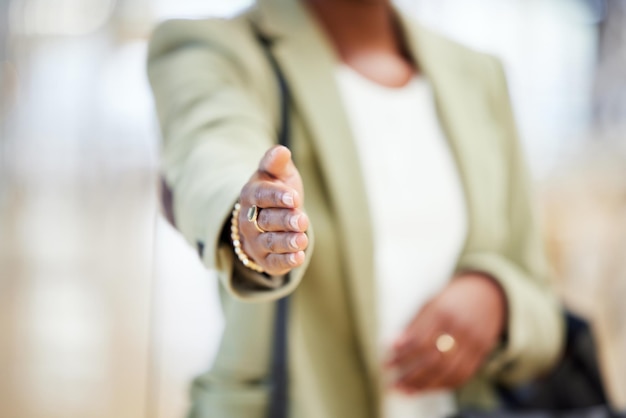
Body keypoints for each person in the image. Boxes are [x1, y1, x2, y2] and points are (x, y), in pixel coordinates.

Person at [147, 0, 564, 417]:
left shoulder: (478, 75)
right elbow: (212, 145)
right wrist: (249, 212)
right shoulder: (216, 50)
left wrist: (498, 297)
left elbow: (543, 305)